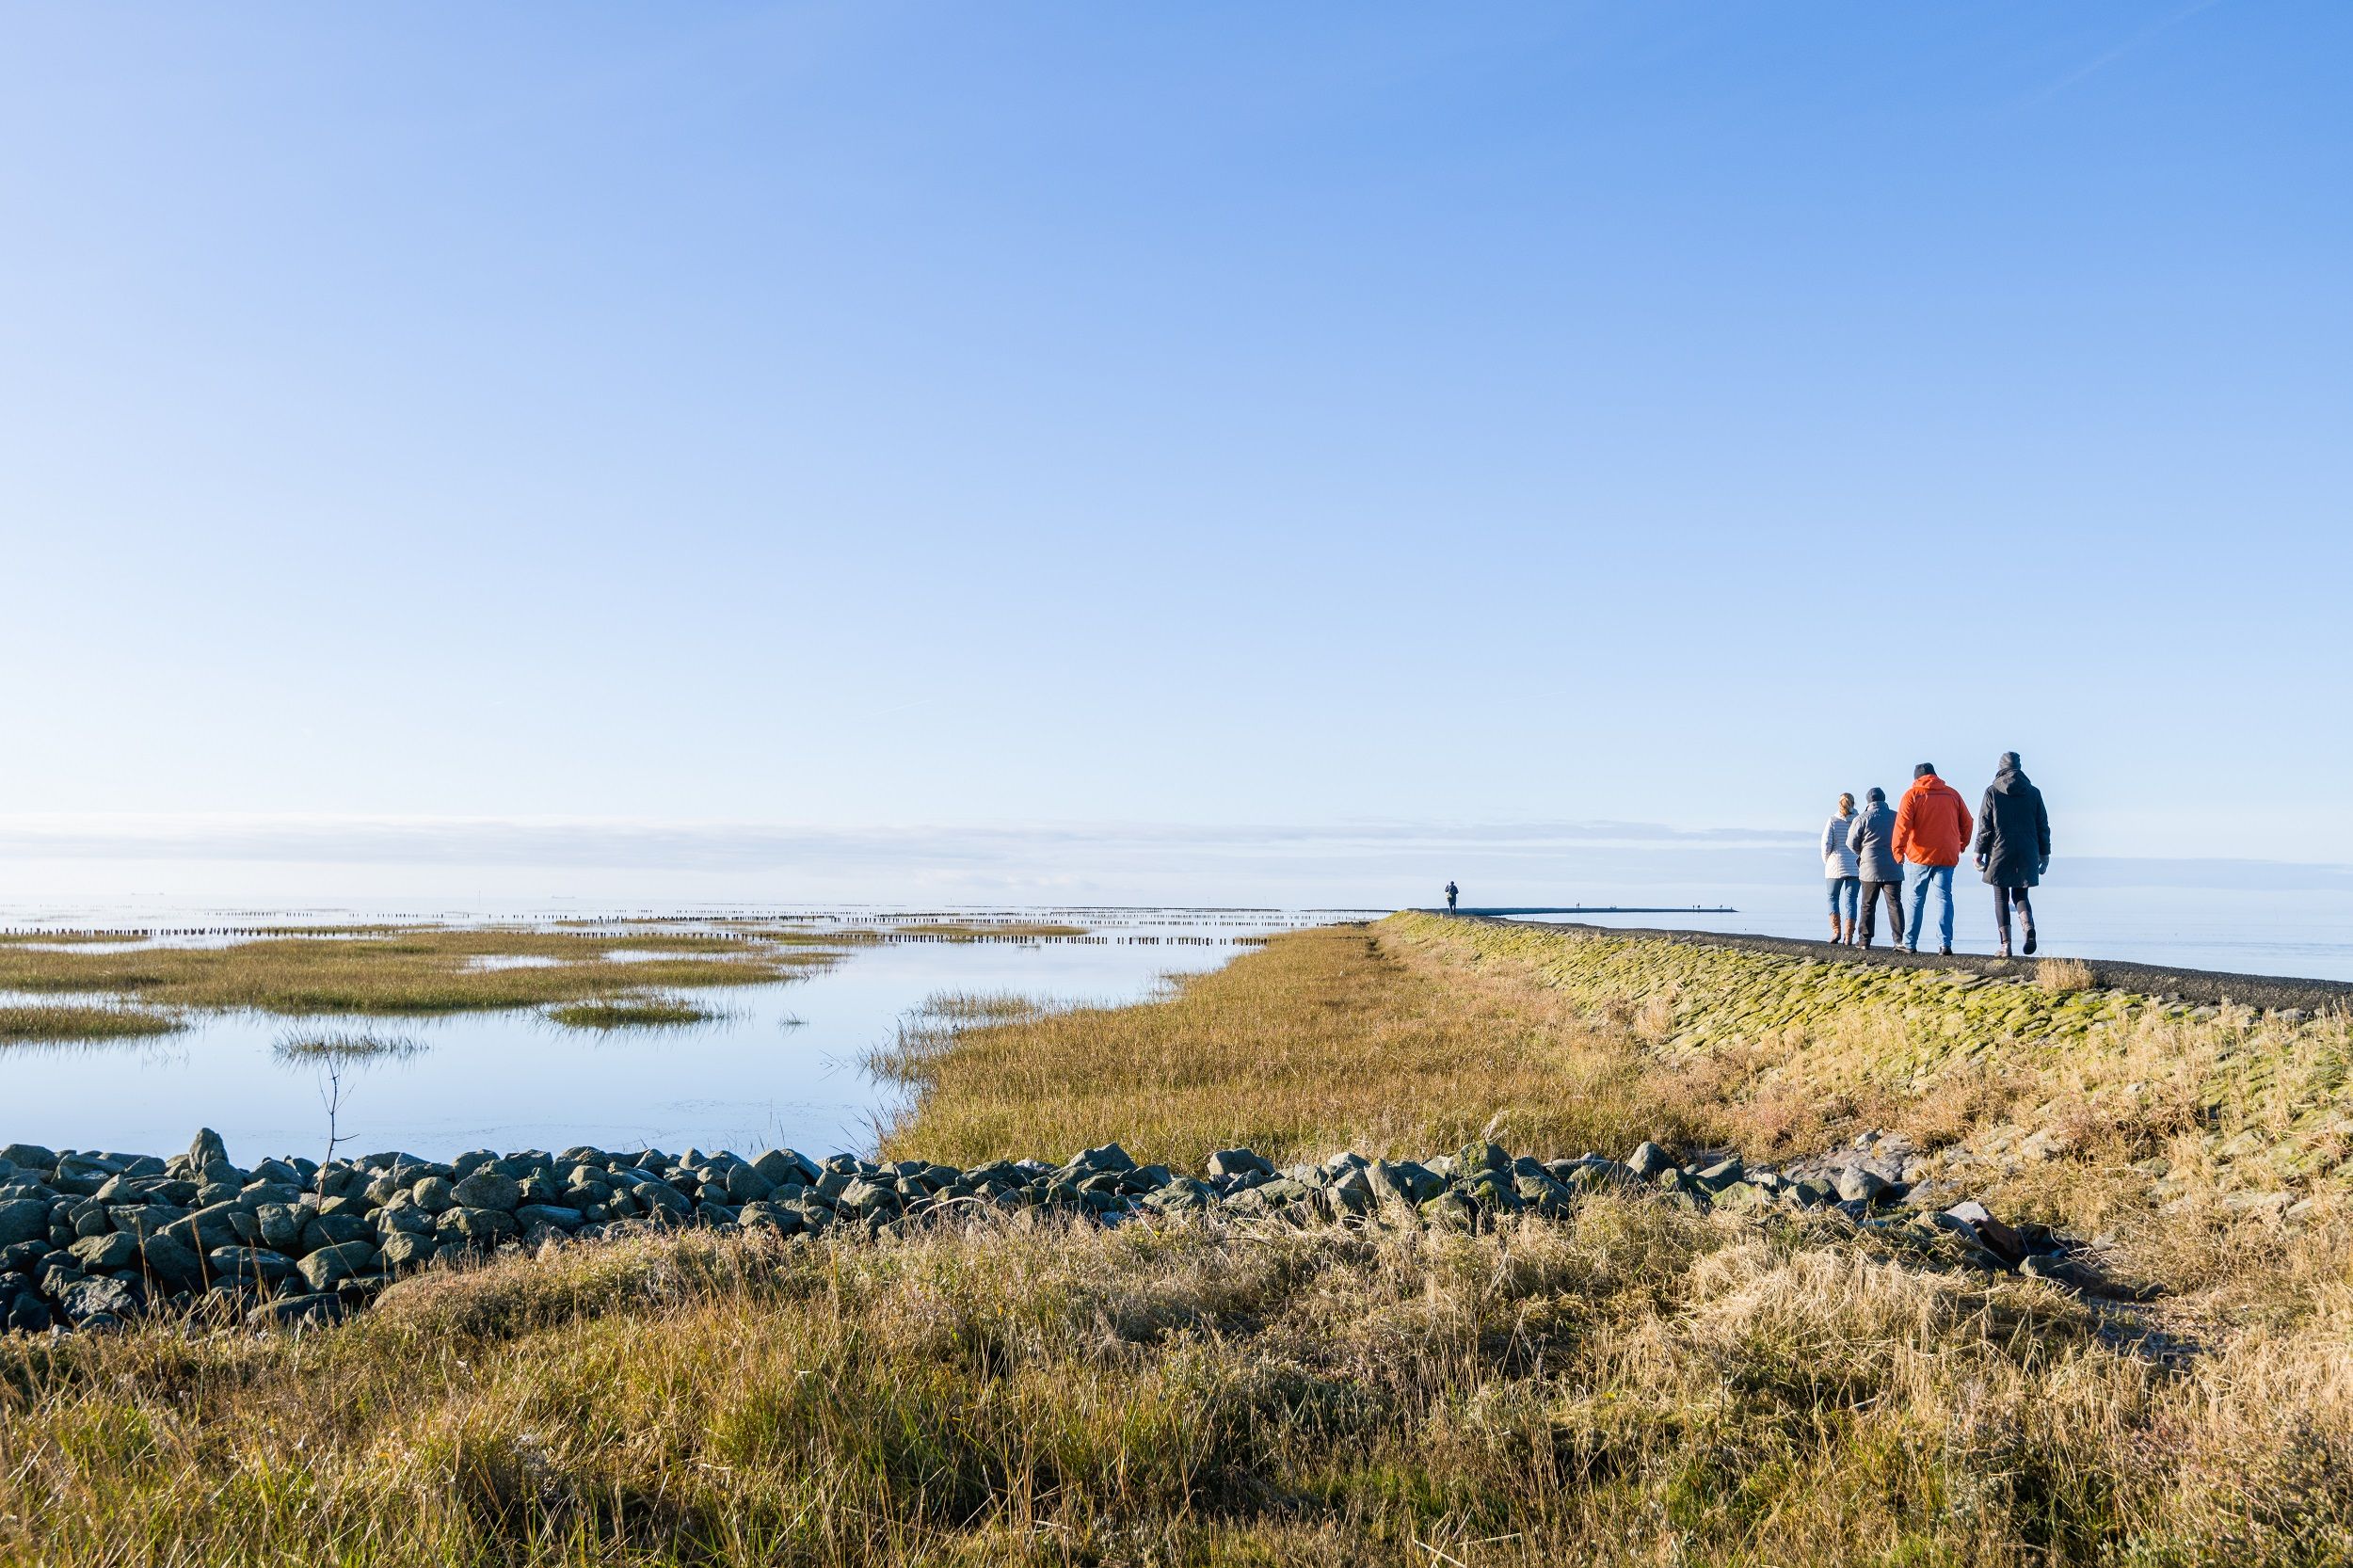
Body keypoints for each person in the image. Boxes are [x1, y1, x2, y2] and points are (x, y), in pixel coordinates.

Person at [1975, 751, 2051, 958]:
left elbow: (1985, 826)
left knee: (2001, 897)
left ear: (2000, 767)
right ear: (2019, 767)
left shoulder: (1992, 791)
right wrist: (2044, 854)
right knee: (2020, 895)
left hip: (1999, 850)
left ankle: (2005, 946)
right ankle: (2028, 929)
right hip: (2027, 851)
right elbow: (2043, 826)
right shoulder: (2034, 792)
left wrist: (1978, 852)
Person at [1892, 761, 1973, 955]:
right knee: (1944, 898)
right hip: (1946, 854)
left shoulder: (1912, 795)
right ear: (1935, 775)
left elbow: (1902, 825)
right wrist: (1962, 844)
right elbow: (1967, 822)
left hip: (1919, 855)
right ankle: (1945, 944)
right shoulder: (1953, 794)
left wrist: (1897, 850)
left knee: (1915, 899)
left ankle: (1909, 943)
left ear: (1916, 778)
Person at [1846, 786, 1904, 948]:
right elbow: (1905, 837)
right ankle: (1898, 940)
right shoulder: (1896, 817)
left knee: (1867, 904)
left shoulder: (1862, 818)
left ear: (1868, 801)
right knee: (1894, 904)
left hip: (1869, 868)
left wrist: (1863, 853)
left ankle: (1864, 941)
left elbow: (1851, 843)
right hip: (1893, 866)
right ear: (1884, 800)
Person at [1819, 792, 1860, 943]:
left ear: (1839, 804)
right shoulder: (1858, 820)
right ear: (1853, 804)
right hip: (1855, 866)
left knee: (1832, 898)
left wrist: (1827, 861)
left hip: (1835, 866)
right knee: (1851, 900)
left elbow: (1826, 845)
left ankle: (1836, 932)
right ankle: (1848, 936)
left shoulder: (1833, 821)